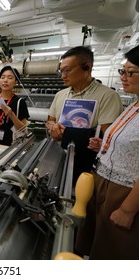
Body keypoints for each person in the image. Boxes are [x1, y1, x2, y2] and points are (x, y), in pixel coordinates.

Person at [75, 45, 139, 259]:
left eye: (130, 72)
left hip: (124, 193)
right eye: (123, 71)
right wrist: (104, 145)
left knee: (114, 251)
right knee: (97, 245)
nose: (123, 77)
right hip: (102, 182)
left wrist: (128, 210)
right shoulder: (133, 106)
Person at [46, 46, 123, 183]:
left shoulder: (107, 96)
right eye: (61, 71)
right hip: (58, 158)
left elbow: (107, 137)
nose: (63, 75)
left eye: (67, 70)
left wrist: (70, 133)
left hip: (86, 165)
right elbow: (50, 121)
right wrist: (53, 127)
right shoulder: (60, 95)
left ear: (87, 67)